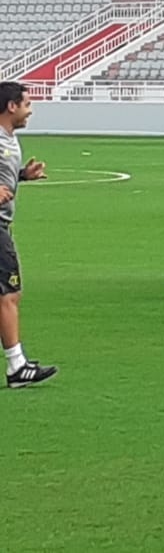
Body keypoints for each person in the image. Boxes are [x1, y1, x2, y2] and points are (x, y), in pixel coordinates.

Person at [0, 82, 56, 388]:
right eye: (27, 104)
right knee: (9, 294)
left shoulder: (8, 139)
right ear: (11, 106)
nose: (30, 110)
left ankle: (17, 364)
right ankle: (16, 367)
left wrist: (23, 176)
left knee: (8, 294)